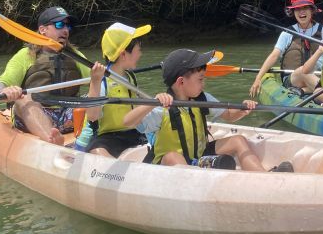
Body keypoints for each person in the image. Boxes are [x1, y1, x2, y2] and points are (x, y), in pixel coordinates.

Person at [124, 49, 293, 172]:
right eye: (200, 79)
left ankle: (263, 179)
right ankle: (197, 187)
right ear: (181, 82)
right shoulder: (162, 109)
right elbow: (128, 122)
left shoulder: (202, 98)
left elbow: (228, 116)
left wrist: (243, 110)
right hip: (167, 166)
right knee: (172, 156)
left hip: (198, 155)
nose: (203, 84)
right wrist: (152, 103)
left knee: (238, 140)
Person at [0, 6, 92, 145]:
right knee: (23, 99)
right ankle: (51, 140)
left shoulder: (74, 55)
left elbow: (97, 82)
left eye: (68, 26)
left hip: (68, 115)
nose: (65, 30)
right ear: (43, 30)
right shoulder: (26, 55)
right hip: (38, 115)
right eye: (59, 25)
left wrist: (100, 78)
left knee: (96, 97)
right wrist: (5, 91)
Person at [83, 22, 152, 158]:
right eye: (139, 50)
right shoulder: (102, 81)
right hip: (107, 138)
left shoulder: (130, 76)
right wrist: (95, 82)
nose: (141, 54)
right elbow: (92, 116)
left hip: (134, 134)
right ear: (123, 54)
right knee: (97, 151)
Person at [249, 0, 323, 97]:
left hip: (319, 77)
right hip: (292, 79)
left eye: (305, 8)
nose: (301, 12)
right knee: (303, 71)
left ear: (312, 10)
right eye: (297, 9)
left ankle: (306, 91)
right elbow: (274, 56)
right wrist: (258, 78)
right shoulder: (287, 33)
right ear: (293, 12)